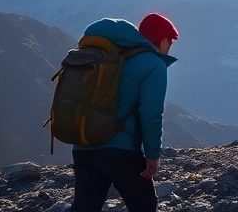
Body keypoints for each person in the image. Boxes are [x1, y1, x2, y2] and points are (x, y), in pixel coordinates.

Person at [69, 12, 178, 212]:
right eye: (171, 40)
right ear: (163, 40)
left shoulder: (106, 57)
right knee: (144, 205)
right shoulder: (153, 65)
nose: (171, 45)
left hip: (84, 145)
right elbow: (151, 114)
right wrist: (152, 154)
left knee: (85, 207)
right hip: (121, 150)